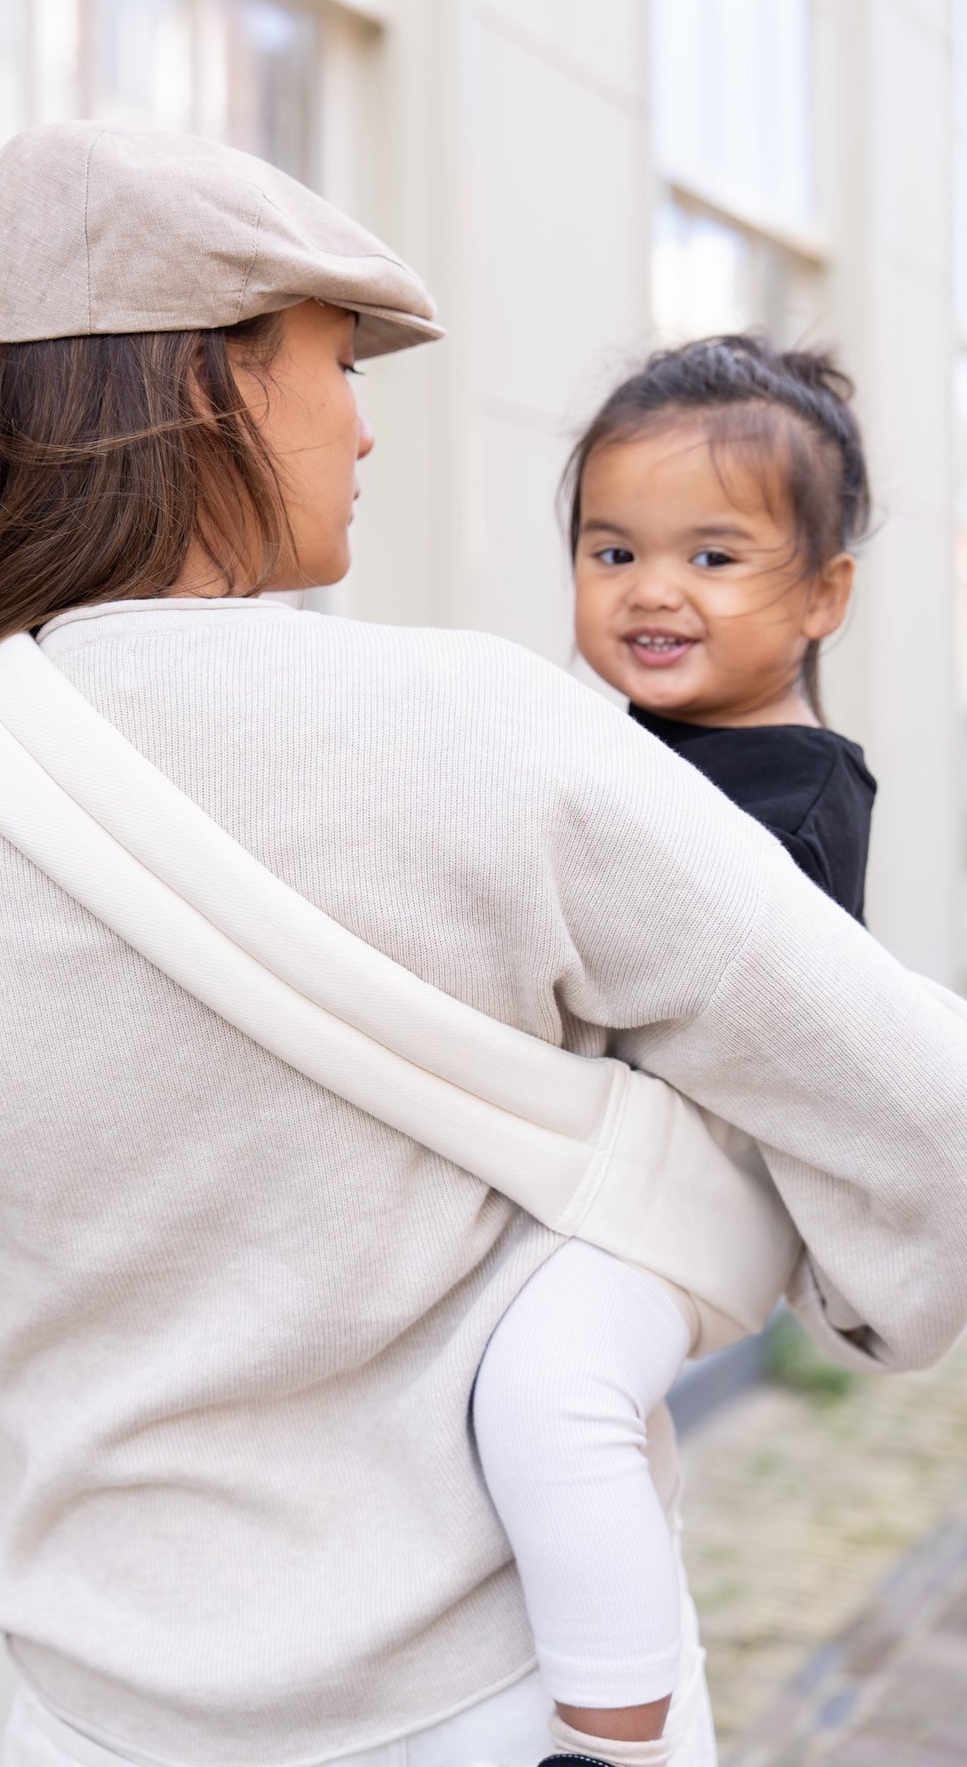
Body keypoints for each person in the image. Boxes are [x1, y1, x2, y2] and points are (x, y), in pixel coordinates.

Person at [0, 124, 967, 1767]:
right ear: (218, 391)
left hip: (89, 1717)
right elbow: (915, 1107)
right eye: (332, 362)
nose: (366, 426)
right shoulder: (477, 733)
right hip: (503, 1702)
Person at [471, 337, 883, 1763]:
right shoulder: (620, 749)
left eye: (715, 557)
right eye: (612, 548)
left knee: (552, 1392)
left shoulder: (800, 787)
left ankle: (615, 1734)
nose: (651, 590)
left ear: (824, 593)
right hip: (614, 1170)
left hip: (702, 1193)